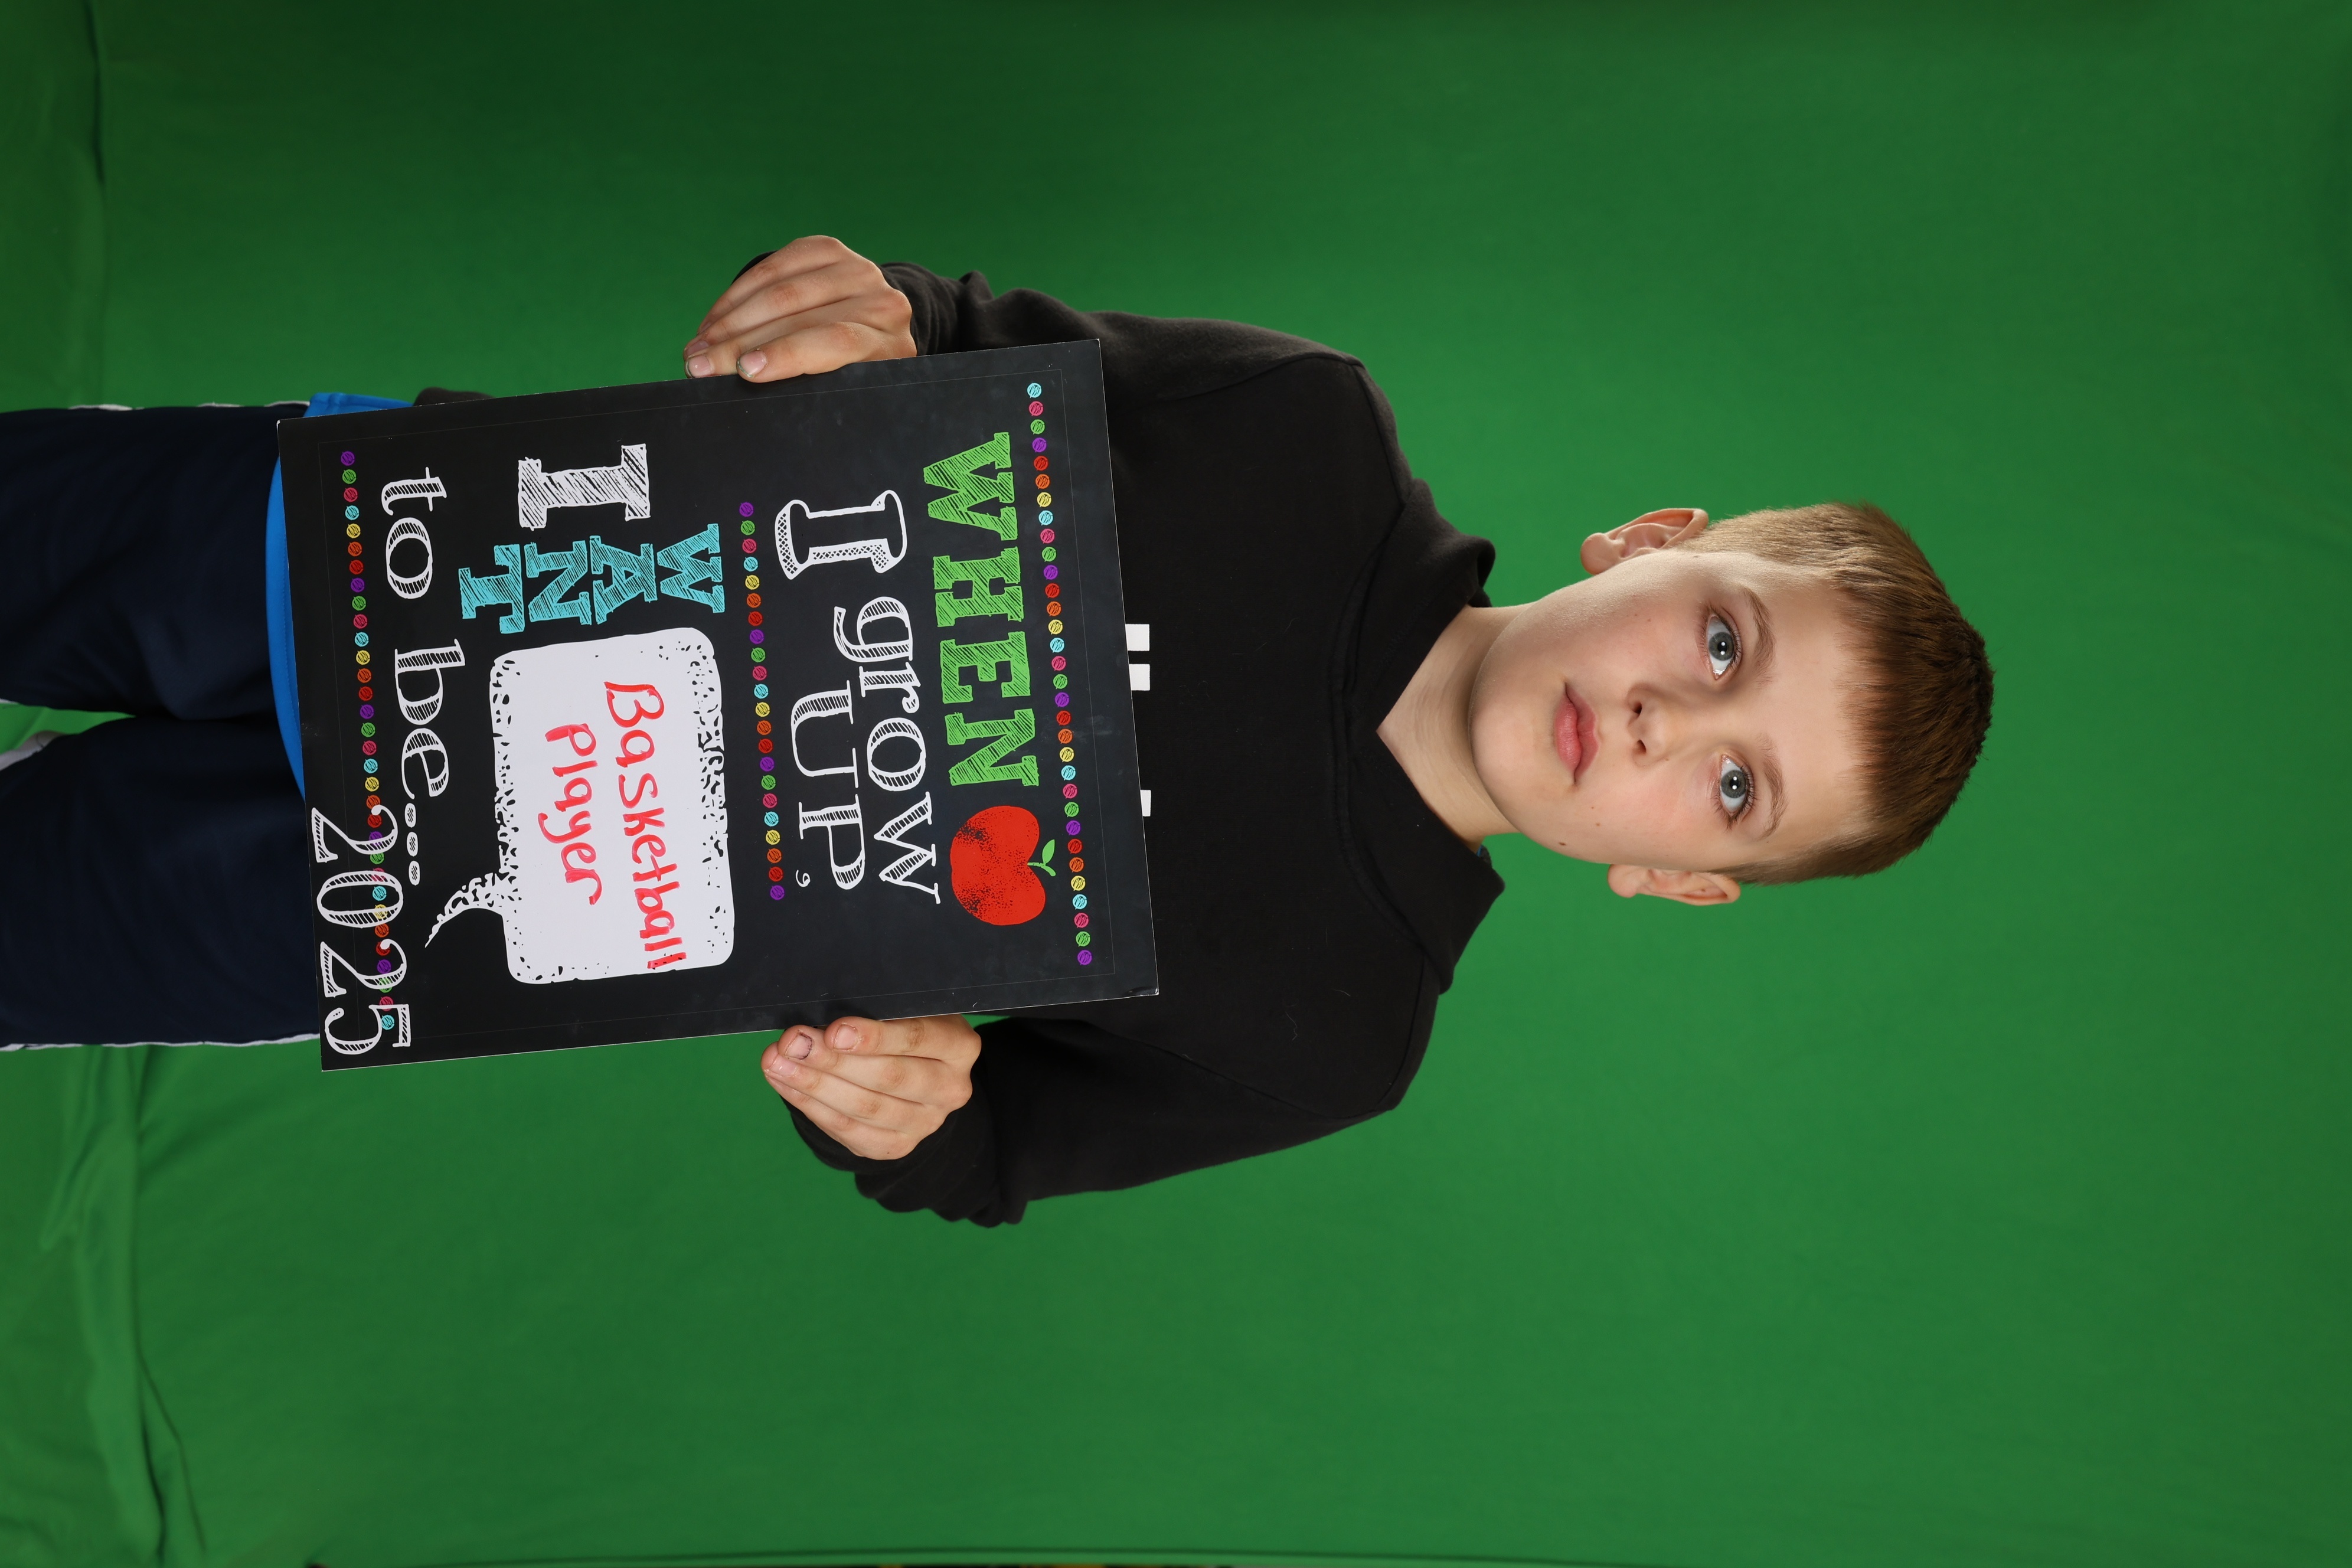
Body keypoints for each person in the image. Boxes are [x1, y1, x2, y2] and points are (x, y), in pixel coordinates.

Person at [0, 237, 1992, 1228]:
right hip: (412, 553)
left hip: (425, 900)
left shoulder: (1340, 1032)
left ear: (1680, 876)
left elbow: (979, 1145)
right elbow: (949, 339)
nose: (1660, 716)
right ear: (1653, 539)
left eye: (1733, 783)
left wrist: (902, 1104)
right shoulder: (1305, 430)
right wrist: (859, 310)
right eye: (1720, 640)